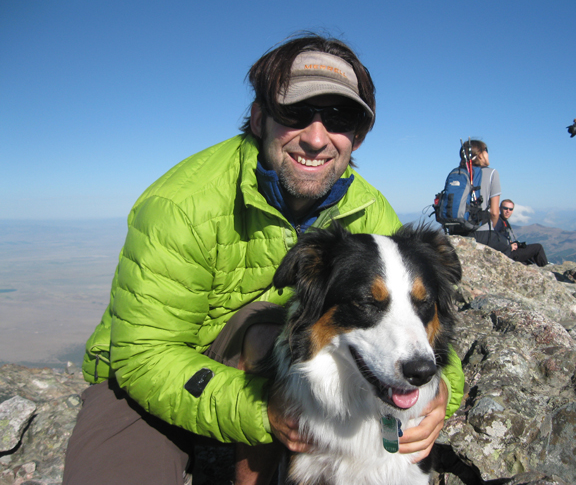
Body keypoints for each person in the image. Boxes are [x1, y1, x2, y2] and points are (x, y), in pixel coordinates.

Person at [62, 33, 465, 485]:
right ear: (258, 118)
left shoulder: (372, 212)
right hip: (158, 374)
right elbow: (141, 356)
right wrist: (259, 412)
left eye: (340, 117)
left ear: (357, 135)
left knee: (272, 329)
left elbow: (425, 320)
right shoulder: (182, 204)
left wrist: (441, 394)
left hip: (270, 355)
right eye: (295, 113)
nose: (316, 138)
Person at [461, 139, 510, 254]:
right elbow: (494, 212)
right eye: (486, 151)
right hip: (481, 232)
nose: (488, 154)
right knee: (506, 247)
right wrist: (490, 228)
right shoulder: (492, 173)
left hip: (459, 231)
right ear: (480, 155)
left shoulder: (459, 173)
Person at [495, 199, 548, 266]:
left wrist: (511, 243)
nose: (508, 211)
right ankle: (545, 268)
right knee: (538, 247)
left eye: (510, 209)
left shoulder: (503, 221)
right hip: (507, 253)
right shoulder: (497, 222)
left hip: (508, 251)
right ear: (500, 208)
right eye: (505, 208)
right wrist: (509, 246)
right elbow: (495, 240)